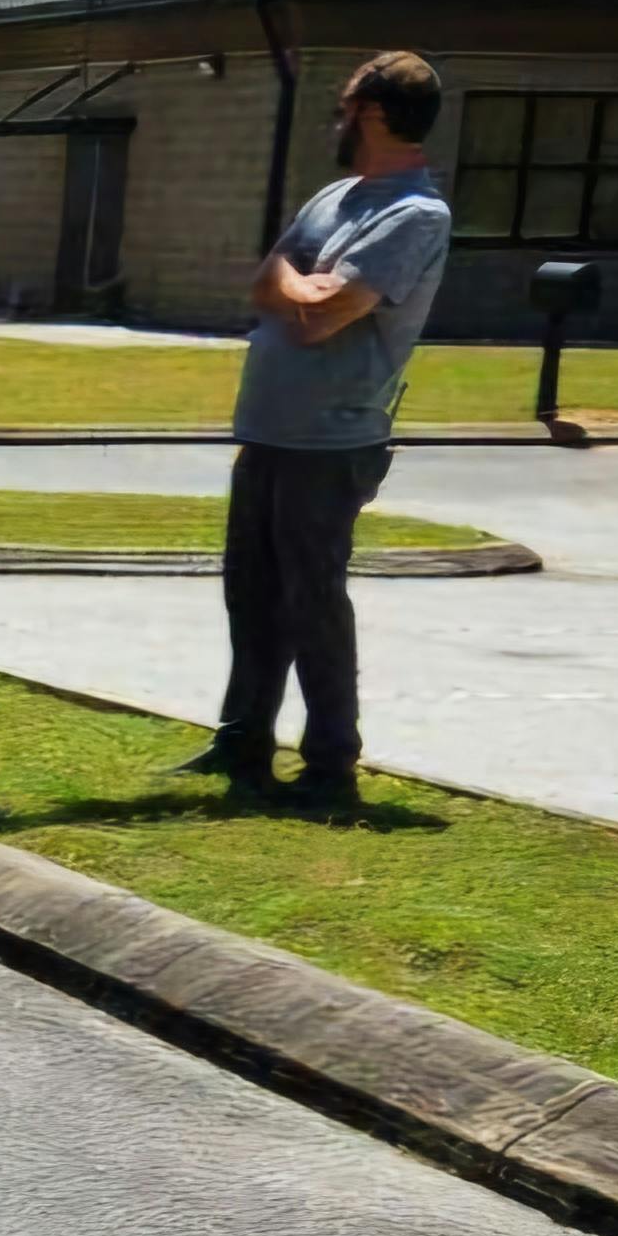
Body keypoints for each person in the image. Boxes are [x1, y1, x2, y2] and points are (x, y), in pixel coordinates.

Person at [183, 51, 453, 808]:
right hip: (270, 429)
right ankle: (243, 742)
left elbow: (323, 316)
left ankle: (331, 764)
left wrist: (301, 288)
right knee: (251, 595)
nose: (337, 121)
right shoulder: (335, 197)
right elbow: (266, 281)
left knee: (313, 603)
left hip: (332, 440)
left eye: (345, 107)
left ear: (373, 113)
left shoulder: (415, 215)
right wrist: (302, 286)